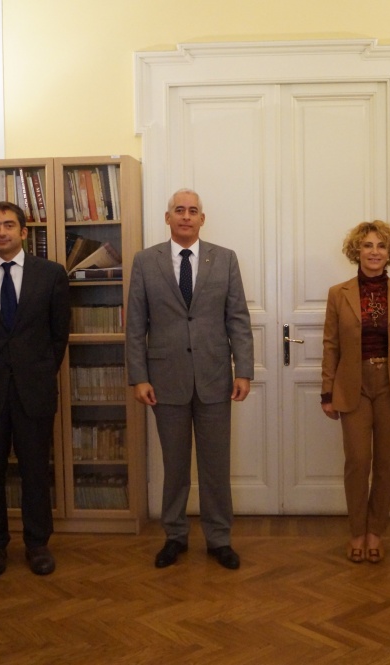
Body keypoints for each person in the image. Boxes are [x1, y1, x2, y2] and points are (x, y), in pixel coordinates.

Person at [126, 188, 254, 570]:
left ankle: (219, 538)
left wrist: (243, 369)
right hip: (164, 380)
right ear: (168, 218)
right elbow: (135, 325)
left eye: (192, 211)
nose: (185, 216)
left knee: (215, 466)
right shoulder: (146, 262)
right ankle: (175, 535)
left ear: (202, 218)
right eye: (178, 210)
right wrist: (139, 377)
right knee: (175, 466)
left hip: (215, 378)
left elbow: (238, 319)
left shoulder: (225, 259)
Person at [0, 201, 70, 577]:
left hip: (33, 390)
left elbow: (58, 335)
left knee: (35, 471)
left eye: (8, 225)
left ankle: (37, 545)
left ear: (24, 231)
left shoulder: (51, 274)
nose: (1, 232)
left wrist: (35, 371)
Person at [321, 220, 390, 564]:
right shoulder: (339, 293)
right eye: (367, 245)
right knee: (358, 462)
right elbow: (330, 345)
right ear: (356, 251)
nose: (374, 252)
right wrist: (326, 391)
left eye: (381, 246)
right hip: (354, 386)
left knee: (386, 463)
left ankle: (376, 532)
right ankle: (356, 532)